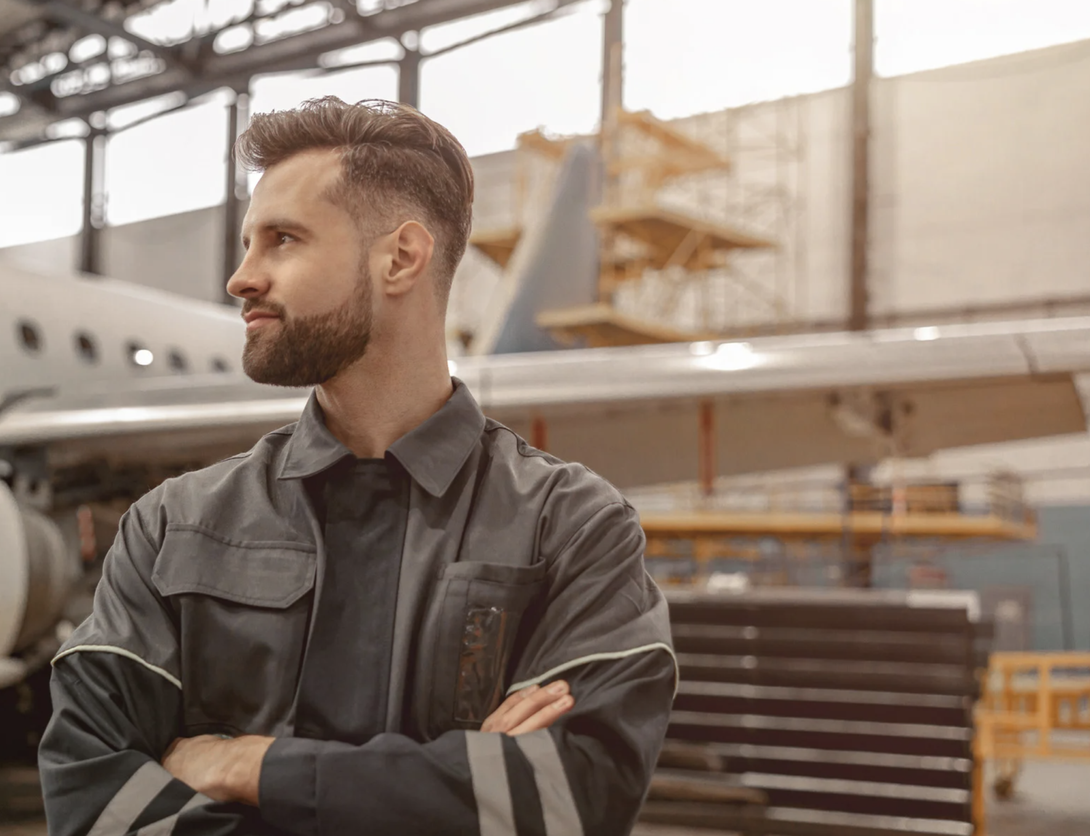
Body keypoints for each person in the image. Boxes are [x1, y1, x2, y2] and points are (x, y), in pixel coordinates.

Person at [38, 97, 676, 836]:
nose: (241, 277)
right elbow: (93, 805)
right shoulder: (170, 526)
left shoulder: (573, 529)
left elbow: (573, 800)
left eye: (282, 240)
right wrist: (453, 782)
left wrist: (249, 768)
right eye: (249, 243)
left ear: (401, 257)